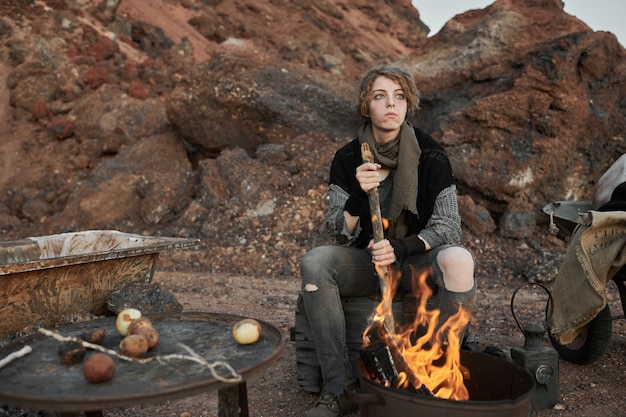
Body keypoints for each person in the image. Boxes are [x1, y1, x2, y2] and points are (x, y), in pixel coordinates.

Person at [300, 65, 476, 417]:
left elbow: (448, 226)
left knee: (459, 259)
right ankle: (339, 389)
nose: (390, 105)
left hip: (415, 263)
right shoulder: (349, 157)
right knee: (315, 263)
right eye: (380, 96)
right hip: (366, 263)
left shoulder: (431, 154)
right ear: (367, 105)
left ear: (408, 105)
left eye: (399, 97)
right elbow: (336, 232)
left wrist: (401, 247)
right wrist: (356, 194)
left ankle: (439, 376)